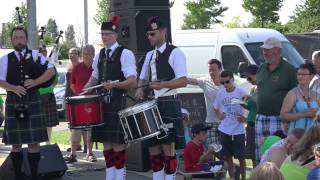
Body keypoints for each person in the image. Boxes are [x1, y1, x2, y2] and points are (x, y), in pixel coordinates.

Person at [135, 16, 187, 180]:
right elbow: (142, 78)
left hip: (169, 102)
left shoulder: (176, 53)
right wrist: (139, 90)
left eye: (153, 34)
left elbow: (183, 81)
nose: (149, 37)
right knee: (153, 147)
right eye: (148, 34)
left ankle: (170, 178)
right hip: (151, 104)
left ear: (163, 32)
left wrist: (163, 84)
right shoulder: (149, 55)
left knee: (167, 147)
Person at [0, 26, 56, 180]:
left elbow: (51, 71)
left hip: (33, 101)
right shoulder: (5, 59)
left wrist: (36, 81)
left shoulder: (36, 55)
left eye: (21, 37)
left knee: (34, 143)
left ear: (26, 39)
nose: (19, 40)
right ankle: (18, 176)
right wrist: (13, 88)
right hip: (13, 101)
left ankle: (34, 176)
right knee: (16, 144)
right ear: (11, 40)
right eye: (16, 37)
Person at [85, 16, 137, 180]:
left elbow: (132, 81)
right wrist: (87, 86)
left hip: (118, 102)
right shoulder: (99, 54)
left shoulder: (125, 53)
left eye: (107, 34)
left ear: (115, 35)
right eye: (102, 34)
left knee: (117, 144)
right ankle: (110, 176)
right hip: (102, 104)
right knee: (106, 144)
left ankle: (119, 177)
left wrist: (114, 85)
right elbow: (95, 76)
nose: (104, 37)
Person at [255, 37, 298, 162]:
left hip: (279, 119)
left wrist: (288, 119)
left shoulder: (289, 69)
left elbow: (295, 95)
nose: (265, 53)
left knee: (279, 153)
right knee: (261, 154)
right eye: (264, 50)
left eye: (268, 50)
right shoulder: (262, 67)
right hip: (260, 118)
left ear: (278, 51)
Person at [63, 45, 97, 163]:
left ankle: (89, 153)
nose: (86, 56)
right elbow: (72, 85)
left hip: (93, 102)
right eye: (84, 54)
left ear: (93, 55)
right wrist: (79, 94)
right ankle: (73, 154)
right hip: (79, 102)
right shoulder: (77, 68)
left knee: (90, 129)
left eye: (88, 54)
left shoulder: (96, 68)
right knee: (75, 128)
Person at [213, 70, 248, 180]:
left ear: (233, 79)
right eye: (222, 83)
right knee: (227, 157)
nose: (225, 85)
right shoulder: (221, 93)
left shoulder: (241, 92)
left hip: (238, 130)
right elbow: (215, 106)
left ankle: (243, 178)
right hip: (224, 129)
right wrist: (219, 115)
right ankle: (232, 178)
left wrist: (245, 118)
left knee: (241, 157)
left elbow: (252, 106)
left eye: (227, 82)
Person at [187, 59, 223, 146]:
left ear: (220, 70)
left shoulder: (227, 82)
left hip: (225, 122)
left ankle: (224, 160)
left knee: (225, 150)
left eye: (214, 70)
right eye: (209, 70)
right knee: (212, 148)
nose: (211, 73)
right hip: (210, 122)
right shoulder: (205, 81)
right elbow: (189, 80)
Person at [280, 63, 319, 132]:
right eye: (298, 74)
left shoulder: (316, 95)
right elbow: (283, 115)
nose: (300, 76)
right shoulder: (292, 94)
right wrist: (303, 114)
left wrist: (316, 115)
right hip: (296, 136)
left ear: (312, 76)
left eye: (304, 74)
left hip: (313, 136)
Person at [65, 48, 86, 154]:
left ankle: (86, 145)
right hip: (68, 95)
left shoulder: (81, 65)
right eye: (70, 54)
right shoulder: (68, 65)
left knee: (82, 121)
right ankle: (76, 145)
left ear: (78, 55)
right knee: (71, 122)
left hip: (78, 95)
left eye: (73, 53)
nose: (71, 55)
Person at [38, 44, 59, 145]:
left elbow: (56, 79)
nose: (45, 52)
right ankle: (38, 142)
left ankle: (47, 142)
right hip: (37, 96)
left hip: (49, 96)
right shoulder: (35, 64)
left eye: (45, 51)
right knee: (38, 121)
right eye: (42, 51)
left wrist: (50, 88)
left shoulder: (51, 65)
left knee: (49, 122)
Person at [240, 64, 258, 167]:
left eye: (249, 77)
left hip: (257, 123)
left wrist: (250, 98)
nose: (248, 80)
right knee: (251, 153)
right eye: (246, 78)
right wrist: (241, 103)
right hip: (250, 124)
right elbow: (252, 108)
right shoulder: (253, 89)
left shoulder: (263, 89)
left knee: (258, 152)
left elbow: (262, 105)